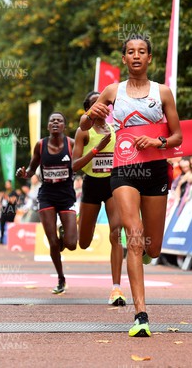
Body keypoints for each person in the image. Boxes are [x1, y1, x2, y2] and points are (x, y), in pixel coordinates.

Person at [80, 34, 182, 337]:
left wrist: (156, 141)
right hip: (124, 169)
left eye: (141, 52)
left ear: (150, 58)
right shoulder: (113, 91)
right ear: (124, 59)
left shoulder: (163, 93)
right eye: (130, 52)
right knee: (133, 236)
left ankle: (147, 254)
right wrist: (90, 115)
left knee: (153, 245)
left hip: (154, 170)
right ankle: (141, 315)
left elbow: (177, 136)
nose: (135, 56)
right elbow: (85, 125)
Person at [72, 91, 126, 306]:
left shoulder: (115, 130)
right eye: (96, 104)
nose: (101, 107)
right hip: (91, 184)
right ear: (89, 109)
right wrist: (96, 149)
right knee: (83, 243)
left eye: (104, 103)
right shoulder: (83, 132)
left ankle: (116, 289)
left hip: (112, 184)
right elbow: (74, 166)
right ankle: (74, 223)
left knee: (116, 232)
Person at [17, 111, 77, 295]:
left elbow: (81, 164)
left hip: (66, 196)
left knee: (71, 243)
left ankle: (63, 234)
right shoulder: (40, 145)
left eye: (60, 120)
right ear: (48, 126)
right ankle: (61, 278)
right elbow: (31, 170)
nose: (56, 123)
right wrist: (24, 173)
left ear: (64, 126)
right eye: (52, 121)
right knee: (52, 243)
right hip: (47, 196)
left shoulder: (71, 144)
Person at [0, 180, 18, 245]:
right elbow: (0, 202)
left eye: (8, 184)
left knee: (11, 226)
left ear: (11, 184)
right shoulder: (4, 192)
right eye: (6, 184)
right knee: (2, 225)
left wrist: (7, 198)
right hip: (4, 211)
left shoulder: (13, 192)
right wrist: (0, 198)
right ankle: (1, 239)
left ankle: (12, 240)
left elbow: (13, 201)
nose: (7, 185)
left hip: (11, 212)